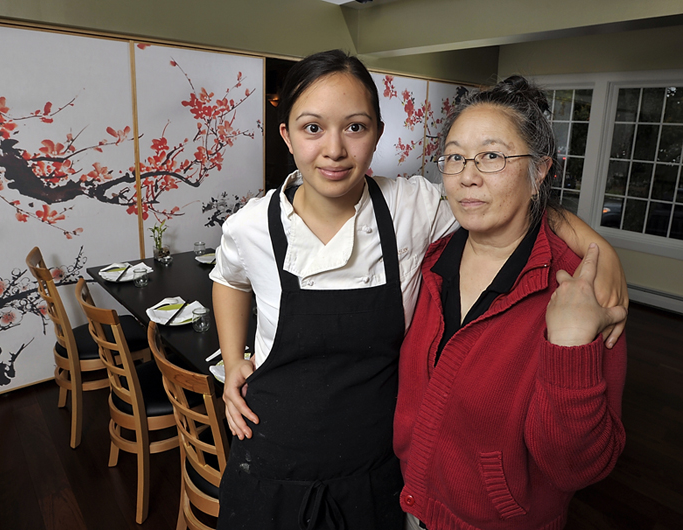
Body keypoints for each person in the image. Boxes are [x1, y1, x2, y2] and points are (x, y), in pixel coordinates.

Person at [209, 51, 626, 530]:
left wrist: (596, 244)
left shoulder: (415, 207)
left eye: (355, 127)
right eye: (311, 128)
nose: (334, 149)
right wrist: (232, 356)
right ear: (286, 135)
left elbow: (504, 209)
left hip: (377, 465)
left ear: (377, 134)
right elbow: (228, 277)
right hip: (273, 454)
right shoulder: (252, 224)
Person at [393, 76, 628, 530]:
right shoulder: (431, 258)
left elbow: (579, 469)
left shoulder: (579, 290)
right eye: (456, 157)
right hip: (412, 501)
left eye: (492, 156)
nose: (467, 175)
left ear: (539, 170)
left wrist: (571, 347)